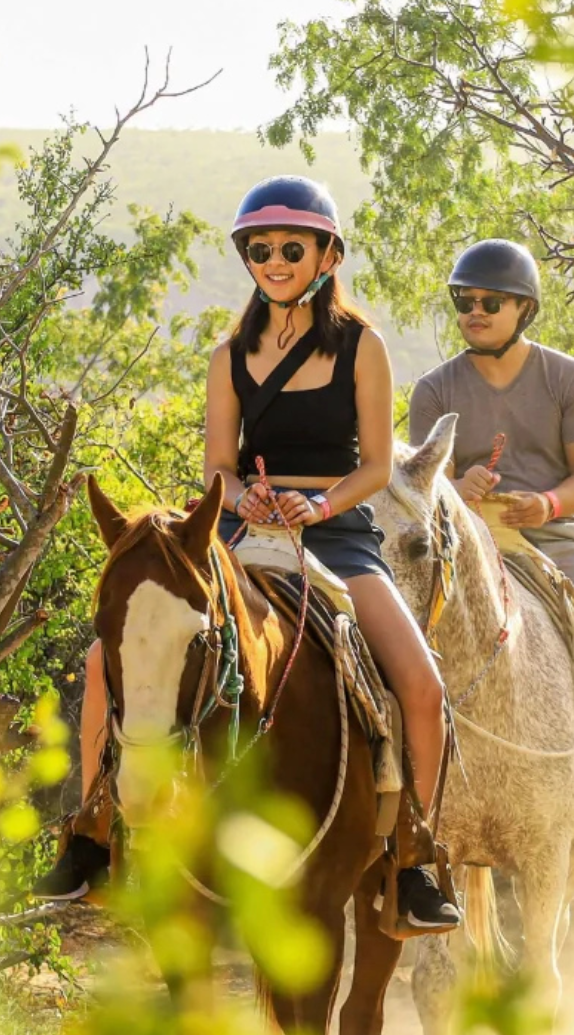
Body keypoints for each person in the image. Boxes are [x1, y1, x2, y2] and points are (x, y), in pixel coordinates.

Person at [37, 176, 461, 933]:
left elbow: (373, 465)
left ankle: (412, 852)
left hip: (335, 533)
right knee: (109, 660)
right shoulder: (229, 354)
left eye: (291, 247)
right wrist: (243, 500)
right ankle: (95, 826)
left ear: (327, 254)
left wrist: (319, 504)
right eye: (260, 249)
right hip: (240, 537)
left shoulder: (364, 347)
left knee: (421, 686)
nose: (274, 259)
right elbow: (216, 471)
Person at [408, 239, 574, 870]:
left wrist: (546, 505)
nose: (474, 311)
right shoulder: (434, 389)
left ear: (525, 309)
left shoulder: (567, 378)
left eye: (489, 301)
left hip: (553, 538)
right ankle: (395, 808)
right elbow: (418, 485)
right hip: (464, 544)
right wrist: (456, 491)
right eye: (463, 300)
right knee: (383, 647)